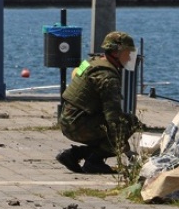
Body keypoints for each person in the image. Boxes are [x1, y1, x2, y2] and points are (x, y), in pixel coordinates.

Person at [56, 31, 140, 174]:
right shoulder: (108, 77)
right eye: (127, 52)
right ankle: (94, 162)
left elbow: (75, 76)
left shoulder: (90, 62)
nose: (130, 56)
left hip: (67, 119)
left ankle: (74, 155)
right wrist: (122, 147)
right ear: (115, 53)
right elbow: (113, 117)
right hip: (79, 124)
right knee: (130, 122)